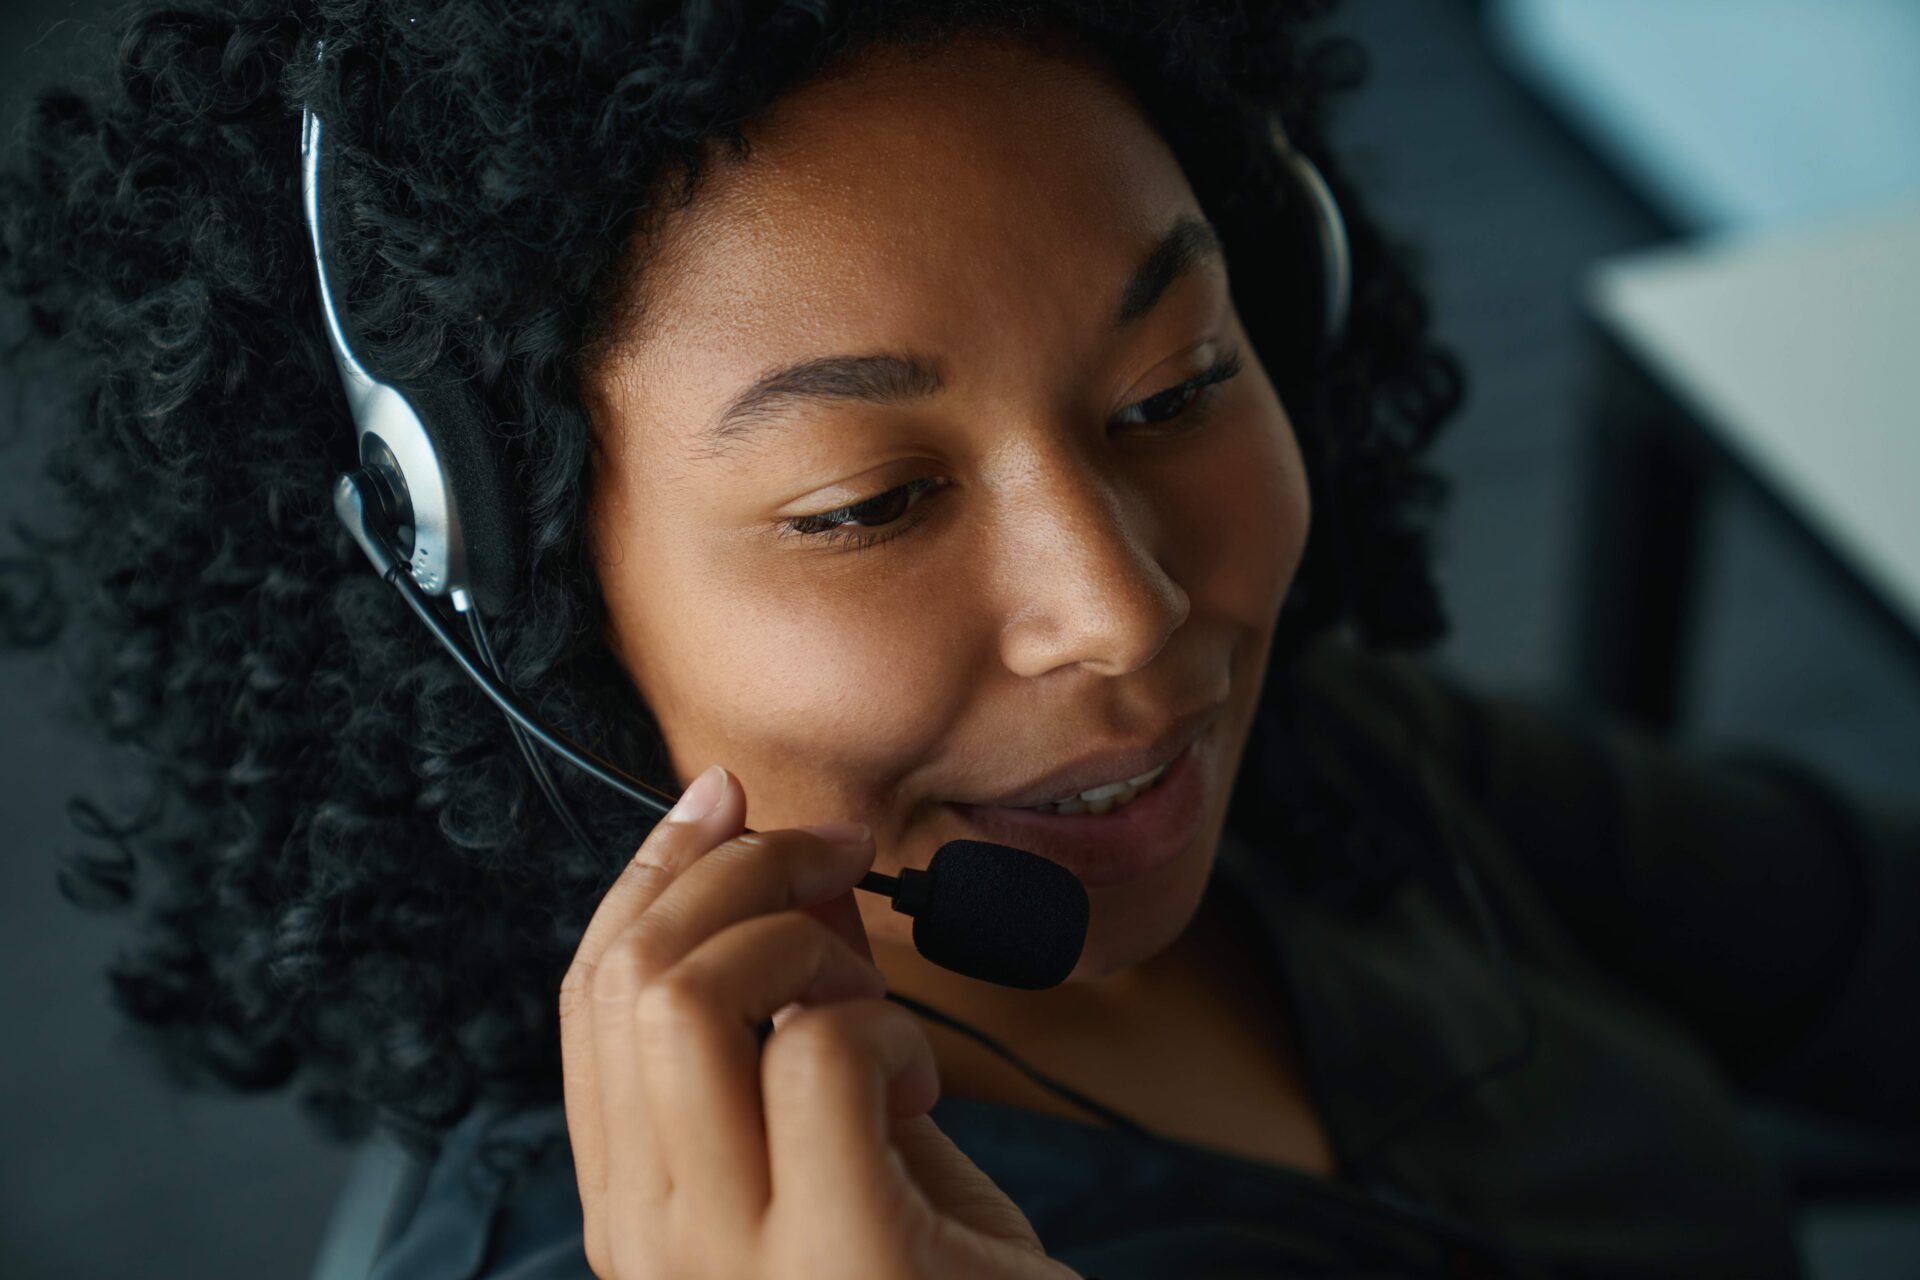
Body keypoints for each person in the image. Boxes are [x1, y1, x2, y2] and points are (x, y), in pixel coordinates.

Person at [2, 2, 1915, 1277]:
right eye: (867, 505)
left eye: (1174, 387)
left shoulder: (1332, 769)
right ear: (520, 621)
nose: (1134, 616)